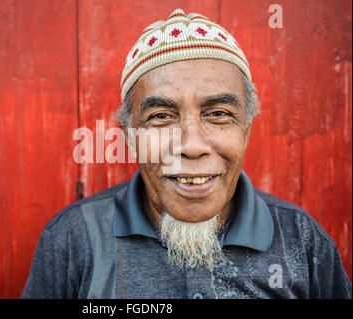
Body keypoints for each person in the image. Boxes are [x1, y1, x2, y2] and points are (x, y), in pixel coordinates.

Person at [21, 8, 351, 299]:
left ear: (246, 129)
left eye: (219, 114)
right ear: (131, 137)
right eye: (161, 116)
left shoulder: (302, 239)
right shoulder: (74, 238)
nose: (192, 145)